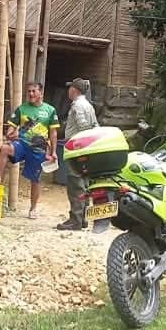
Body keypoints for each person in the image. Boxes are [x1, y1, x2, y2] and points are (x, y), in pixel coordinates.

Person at [0, 82, 60, 219]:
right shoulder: (21, 109)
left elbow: (53, 133)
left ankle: (33, 209)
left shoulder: (50, 110)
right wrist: (12, 134)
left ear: (41, 93)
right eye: (29, 91)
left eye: (34, 91)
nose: (30, 94)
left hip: (39, 149)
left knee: (35, 180)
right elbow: (10, 131)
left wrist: (53, 152)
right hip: (21, 144)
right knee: (4, 148)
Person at [57, 78, 99, 231]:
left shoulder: (77, 105)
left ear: (74, 90)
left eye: (70, 88)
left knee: (76, 183)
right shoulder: (88, 105)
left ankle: (75, 219)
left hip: (77, 148)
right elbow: (95, 126)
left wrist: (80, 143)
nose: (68, 90)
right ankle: (83, 219)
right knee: (85, 183)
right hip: (87, 148)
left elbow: (83, 126)